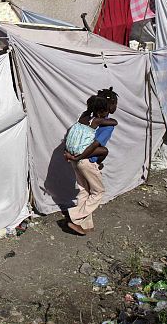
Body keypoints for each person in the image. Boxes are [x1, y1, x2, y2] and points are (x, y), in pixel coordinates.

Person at [64, 89, 119, 236]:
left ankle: (85, 225)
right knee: (98, 191)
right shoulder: (105, 124)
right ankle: (75, 217)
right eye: (115, 104)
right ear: (109, 105)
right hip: (85, 160)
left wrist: (75, 157)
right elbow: (95, 145)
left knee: (84, 190)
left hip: (76, 159)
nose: (116, 107)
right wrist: (80, 157)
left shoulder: (86, 116)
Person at [64, 96, 116, 168]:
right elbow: (114, 122)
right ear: (99, 112)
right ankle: (97, 164)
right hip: (79, 151)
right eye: (105, 111)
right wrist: (77, 158)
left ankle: (75, 156)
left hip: (69, 148)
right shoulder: (96, 120)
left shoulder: (83, 115)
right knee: (104, 151)